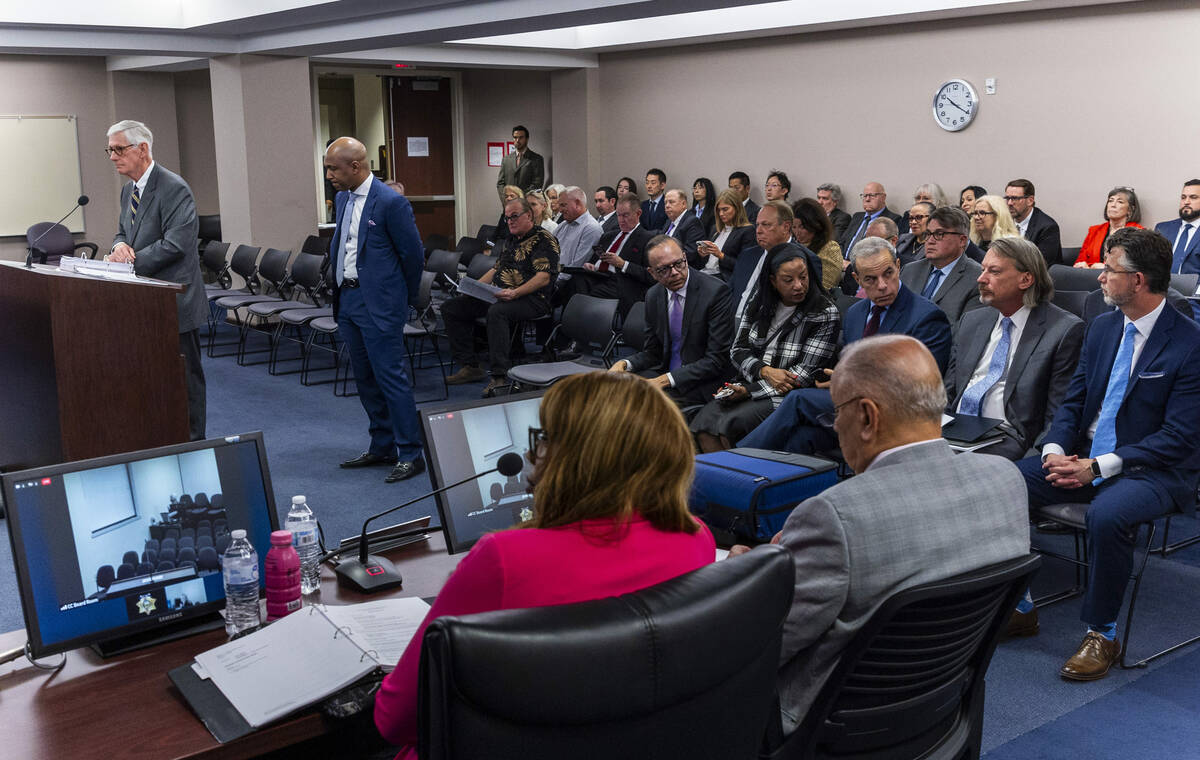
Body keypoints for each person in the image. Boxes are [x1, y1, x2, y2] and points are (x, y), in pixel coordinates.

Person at [373, 371, 716, 759]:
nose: (533, 453)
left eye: (544, 439)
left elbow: (394, 719)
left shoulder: (504, 559)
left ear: (571, 457)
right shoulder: (695, 537)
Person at [731, 335, 1029, 736]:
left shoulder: (833, 516)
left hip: (826, 728)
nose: (835, 426)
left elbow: (761, 645)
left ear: (867, 417)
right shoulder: (1006, 481)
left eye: (836, 412)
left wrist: (746, 577)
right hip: (940, 712)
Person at [1011, 227, 1200, 681]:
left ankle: (1103, 633)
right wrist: (1055, 449)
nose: (1098, 277)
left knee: (1109, 515)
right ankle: (1020, 605)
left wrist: (1097, 467)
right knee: (1004, 484)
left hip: (1153, 469)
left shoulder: (1190, 342)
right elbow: (1073, 402)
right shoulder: (1101, 327)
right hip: (1081, 455)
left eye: (1109, 270)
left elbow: (1179, 436)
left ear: (1137, 281)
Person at [737, 238, 952, 456]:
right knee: (799, 439)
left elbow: (923, 388)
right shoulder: (855, 314)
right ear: (857, 279)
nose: (882, 285)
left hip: (895, 413)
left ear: (898, 267)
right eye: (870, 279)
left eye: (888, 273)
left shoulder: (926, 317)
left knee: (798, 399)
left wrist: (852, 383)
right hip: (851, 407)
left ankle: (734, 461)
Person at [323, 136, 426, 482]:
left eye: (333, 168)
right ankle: (382, 446)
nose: (329, 175)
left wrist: (401, 299)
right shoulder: (342, 198)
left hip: (380, 304)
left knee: (390, 378)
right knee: (365, 378)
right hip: (348, 299)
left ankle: (410, 453)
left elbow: (413, 256)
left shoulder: (390, 203)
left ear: (356, 166)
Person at [105, 119, 208, 441]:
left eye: (118, 149)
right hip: (141, 301)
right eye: (109, 150)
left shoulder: (173, 187)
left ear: (143, 149)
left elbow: (176, 244)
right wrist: (118, 246)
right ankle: (160, 435)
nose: (112, 157)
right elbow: (124, 232)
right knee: (151, 376)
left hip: (173, 300)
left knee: (184, 377)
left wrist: (129, 262)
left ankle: (193, 441)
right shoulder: (128, 191)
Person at [945, 237, 1084, 460]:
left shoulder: (1063, 331)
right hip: (955, 430)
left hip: (1008, 437)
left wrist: (1037, 458)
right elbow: (948, 391)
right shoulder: (971, 321)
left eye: (995, 271)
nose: (981, 279)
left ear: (1026, 279)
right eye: (982, 270)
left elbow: (1058, 413)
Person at [691, 248, 840, 452]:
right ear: (772, 280)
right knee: (704, 424)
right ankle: (718, 479)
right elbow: (738, 350)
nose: (799, 286)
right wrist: (763, 371)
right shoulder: (759, 303)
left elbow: (804, 374)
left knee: (729, 427)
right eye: (788, 280)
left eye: (803, 277)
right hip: (750, 381)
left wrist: (749, 392)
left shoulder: (824, 312)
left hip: (787, 395)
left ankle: (739, 479)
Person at [443, 197, 559, 397]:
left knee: (497, 312)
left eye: (515, 216)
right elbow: (497, 269)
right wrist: (473, 287)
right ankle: (471, 366)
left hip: (534, 299)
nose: (510, 221)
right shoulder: (511, 240)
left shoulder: (544, 239)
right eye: (507, 218)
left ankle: (499, 376)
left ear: (529, 215)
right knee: (452, 307)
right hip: (503, 294)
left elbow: (543, 278)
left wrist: (515, 292)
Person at [611, 236, 733, 405]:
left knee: (641, 406)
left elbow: (715, 360)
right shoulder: (653, 295)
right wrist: (625, 363)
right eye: (664, 270)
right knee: (612, 393)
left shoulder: (715, 292)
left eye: (678, 263)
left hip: (702, 381)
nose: (675, 272)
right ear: (652, 273)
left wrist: (663, 381)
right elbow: (653, 352)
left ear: (685, 257)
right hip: (665, 373)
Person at [900, 206, 985, 331]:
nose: (930, 241)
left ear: (962, 240)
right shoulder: (909, 270)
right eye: (928, 234)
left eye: (939, 234)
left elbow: (964, 332)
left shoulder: (977, 278)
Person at [581, 193, 655, 315]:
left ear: (638, 213)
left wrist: (622, 264)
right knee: (575, 281)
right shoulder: (608, 236)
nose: (621, 220)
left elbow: (651, 275)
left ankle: (584, 326)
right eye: (618, 215)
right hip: (597, 276)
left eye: (625, 215)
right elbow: (594, 260)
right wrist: (591, 265)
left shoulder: (648, 239)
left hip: (622, 283)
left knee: (590, 293)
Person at [1074, 187, 1144, 268]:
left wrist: (1106, 268)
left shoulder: (1138, 232)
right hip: (1090, 275)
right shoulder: (1094, 230)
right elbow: (1079, 261)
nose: (1113, 205)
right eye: (1110, 201)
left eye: (1120, 202)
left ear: (1130, 210)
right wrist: (1085, 266)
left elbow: (1136, 265)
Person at [696, 188, 754, 280]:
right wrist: (704, 254)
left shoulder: (747, 231)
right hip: (706, 272)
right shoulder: (715, 229)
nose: (721, 214)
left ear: (737, 208)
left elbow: (745, 266)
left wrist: (720, 255)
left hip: (724, 278)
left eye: (725, 209)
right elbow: (708, 263)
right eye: (719, 210)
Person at [1005, 178, 1063, 267]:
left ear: (1030, 201)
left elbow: (1040, 265)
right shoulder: (1004, 222)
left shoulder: (1047, 227)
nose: (1009, 203)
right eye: (1007, 198)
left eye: (1015, 198)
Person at [791, 197, 843, 292]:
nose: (797, 232)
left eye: (802, 227)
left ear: (815, 225)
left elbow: (823, 287)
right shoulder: (792, 245)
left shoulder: (830, 248)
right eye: (794, 227)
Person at [839, 181, 903, 256]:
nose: (867, 199)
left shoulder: (892, 219)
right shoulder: (857, 216)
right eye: (865, 196)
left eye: (872, 195)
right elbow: (842, 242)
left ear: (883, 197)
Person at [1156, 179, 1200, 274]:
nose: (1186, 202)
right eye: (1183, 197)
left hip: (1194, 287)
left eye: (1193, 197)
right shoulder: (1162, 229)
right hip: (1161, 286)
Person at [495, 125, 544, 200]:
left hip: (526, 204)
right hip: (508, 204)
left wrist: (519, 197)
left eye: (521, 137)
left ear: (527, 139)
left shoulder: (536, 159)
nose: (517, 140)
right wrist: (505, 199)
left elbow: (537, 184)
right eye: (515, 137)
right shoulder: (506, 159)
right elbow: (500, 183)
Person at [661, 188, 705, 264]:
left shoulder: (692, 222)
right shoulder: (668, 222)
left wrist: (665, 258)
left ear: (683, 204)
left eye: (671, 202)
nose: (667, 206)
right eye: (665, 203)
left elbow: (691, 252)